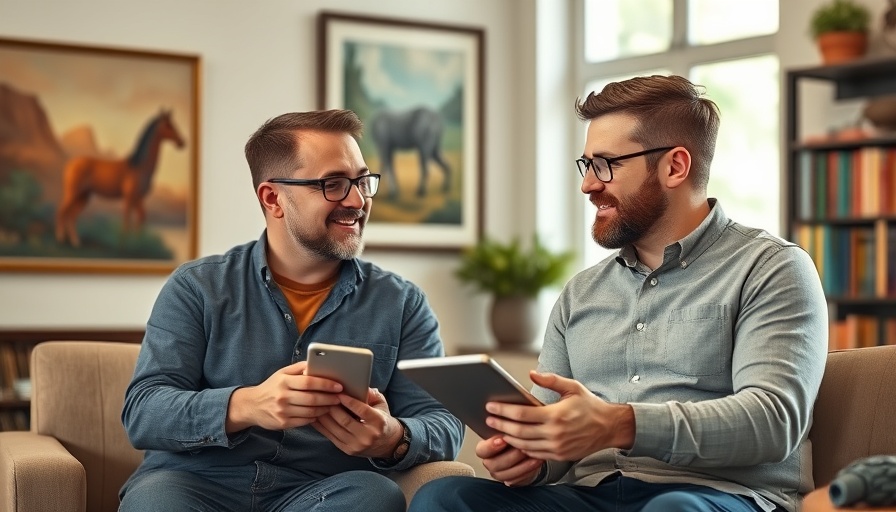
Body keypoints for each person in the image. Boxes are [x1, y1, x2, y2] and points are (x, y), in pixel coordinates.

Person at [409, 75, 828, 512]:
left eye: (606, 164)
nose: (588, 185)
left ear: (674, 167)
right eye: (586, 165)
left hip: (719, 497)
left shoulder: (772, 268)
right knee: (445, 495)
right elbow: (556, 441)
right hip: (592, 497)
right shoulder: (580, 294)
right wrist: (532, 456)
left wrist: (620, 424)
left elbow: (774, 421)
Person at [119, 109, 464, 511]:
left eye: (362, 181)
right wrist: (247, 404)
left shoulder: (402, 303)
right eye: (333, 184)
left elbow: (442, 421)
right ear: (273, 198)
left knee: (376, 495)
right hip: (195, 484)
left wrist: (393, 436)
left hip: (322, 492)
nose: (357, 201)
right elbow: (144, 411)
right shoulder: (196, 287)